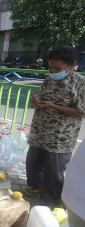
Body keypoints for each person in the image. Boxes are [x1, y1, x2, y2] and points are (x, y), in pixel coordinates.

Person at [25, 46, 85, 204]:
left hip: (60, 136)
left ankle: (51, 198)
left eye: (57, 68)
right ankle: (35, 186)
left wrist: (53, 106)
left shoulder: (80, 83)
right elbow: (41, 97)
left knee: (55, 169)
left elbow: (80, 112)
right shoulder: (49, 79)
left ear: (71, 65)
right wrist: (35, 101)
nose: (52, 71)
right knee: (33, 161)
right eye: (50, 67)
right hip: (40, 130)